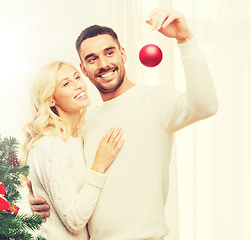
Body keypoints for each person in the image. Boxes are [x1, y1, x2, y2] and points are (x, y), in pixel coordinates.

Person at [28, 8, 218, 240]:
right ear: (84, 70)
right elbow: (69, 185)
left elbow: (206, 105)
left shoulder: (154, 100)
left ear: (123, 54)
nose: (104, 64)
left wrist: (185, 38)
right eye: (92, 59)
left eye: (109, 53)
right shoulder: (84, 122)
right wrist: (40, 200)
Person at [22, 61, 125, 239]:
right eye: (66, 83)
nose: (78, 85)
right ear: (51, 98)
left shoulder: (78, 138)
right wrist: (99, 165)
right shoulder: (51, 145)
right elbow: (74, 221)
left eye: (77, 77)